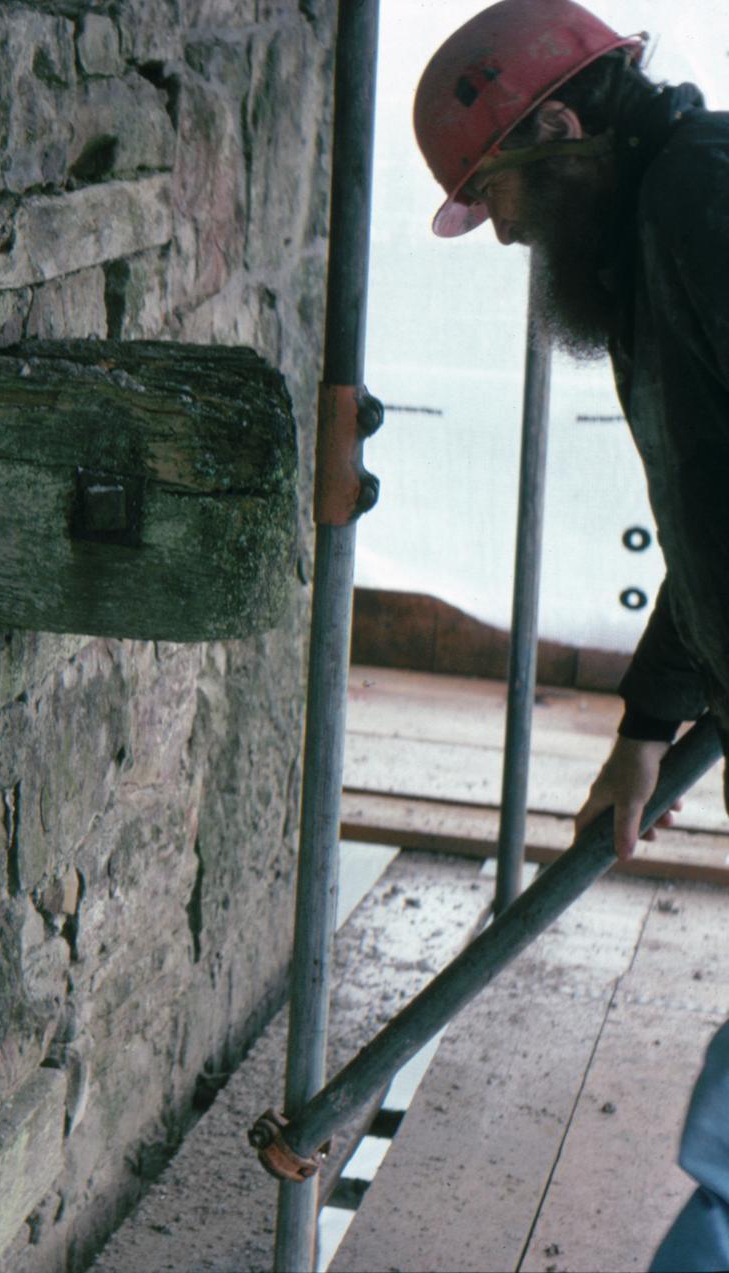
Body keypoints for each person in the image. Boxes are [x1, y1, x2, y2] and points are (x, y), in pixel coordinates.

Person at [415, 2, 729, 1267]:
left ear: (557, 124)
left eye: (497, 194)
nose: (505, 232)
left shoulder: (701, 206)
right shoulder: (664, 221)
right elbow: (714, 507)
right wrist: (649, 721)